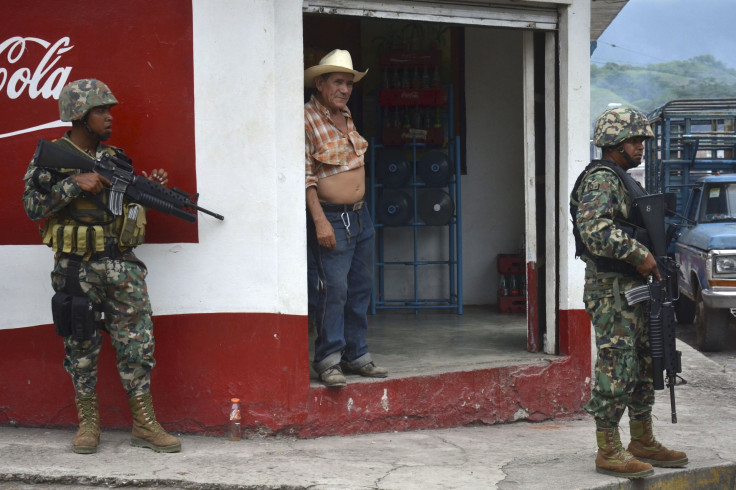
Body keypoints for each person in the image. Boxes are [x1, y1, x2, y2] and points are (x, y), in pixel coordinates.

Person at [22, 79, 181, 454]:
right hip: (77, 268)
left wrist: (148, 190)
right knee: (80, 346)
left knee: (137, 345)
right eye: (101, 111)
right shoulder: (52, 157)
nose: (109, 118)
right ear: (79, 115)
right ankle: (88, 424)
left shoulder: (115, 158)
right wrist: (74, 184)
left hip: (121, 266)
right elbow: (32, 207)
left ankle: (144, 424)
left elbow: (122, 207)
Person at [571, 106, 688, 478]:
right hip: (612, 290)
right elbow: (595, 230)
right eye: (634, 140)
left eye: (641, 140)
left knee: (644, 363)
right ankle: (608, 448)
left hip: (633, 288)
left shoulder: (624, 178)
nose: (641, 146)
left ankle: (642, 439)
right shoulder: (602, 179)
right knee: (617, 364)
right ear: (613, 142)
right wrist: (641, 255)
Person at [304, 49, 388, 387]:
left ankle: (357, 354)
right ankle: (328, 359)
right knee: (333, 290)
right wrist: (320, 220)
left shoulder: (346, 115)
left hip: (360, 216)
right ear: (321, 83)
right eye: (338, 82)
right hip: (333, 218)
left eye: (349, 83)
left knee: (360, 288)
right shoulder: (307, 119)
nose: (345, 89)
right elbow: (306, 176)